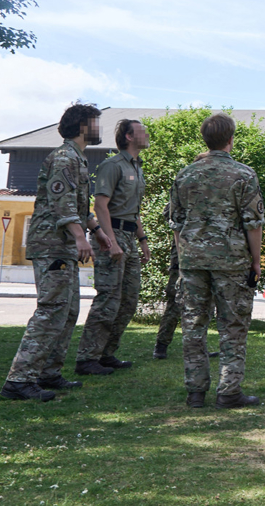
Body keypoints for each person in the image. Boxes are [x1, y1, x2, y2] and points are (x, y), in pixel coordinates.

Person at [0, 103, 110, 401]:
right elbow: (62, 204)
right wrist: (80, 236)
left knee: (68, 309)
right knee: (51, 310)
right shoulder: (63, 158)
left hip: (64, 245)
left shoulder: (78, 159)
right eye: (96, 123)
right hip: (52, 245)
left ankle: (48, 372)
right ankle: (19, 380)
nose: (100, 129)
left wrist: (96, 231)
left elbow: (78, 205)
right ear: (83, 125)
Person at [170, 112, 265, 408]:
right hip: (231, 261)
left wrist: (185, 256)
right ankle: (229, 391)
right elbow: (253, 223)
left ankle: (195, 392)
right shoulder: (244, 175)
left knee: (193, 326)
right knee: (233, 326)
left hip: (192, 261)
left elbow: (176, 223)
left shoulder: (185, 174)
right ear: (230, 139)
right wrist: (256, 261)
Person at [76, 118, 149, 375]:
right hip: (113, 236)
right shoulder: (113, 165)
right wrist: (110, 241)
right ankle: (87, 358)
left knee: (128, 301)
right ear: (129, 137)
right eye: (142, 131)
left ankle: (106, 354)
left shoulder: (137, 167)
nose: (147, 134)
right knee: (108, 299)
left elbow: (134, 211)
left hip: (129, 236)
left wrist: (143, 241)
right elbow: (100, 206)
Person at [154, 202, 217, 361]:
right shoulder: (183, 187)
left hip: (206, 252)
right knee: (176, 301)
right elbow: (169, 213)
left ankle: (199, 346)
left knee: (205, 303)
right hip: (183, 252)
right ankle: (161, 346)